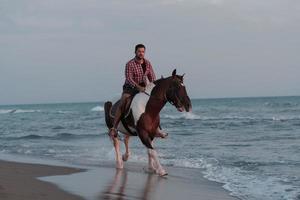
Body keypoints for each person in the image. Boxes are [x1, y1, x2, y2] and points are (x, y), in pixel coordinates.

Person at [109, 44, 156, 138]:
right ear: (135, 52)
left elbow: (152, 77)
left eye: (143, 51)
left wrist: (153, 87)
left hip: (144, 88)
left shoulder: (148, 63)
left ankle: (156, 127)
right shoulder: (130, 64)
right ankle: (114, 128)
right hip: (130, 88)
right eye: (139, 51)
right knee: (123, 102)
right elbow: (129, 78)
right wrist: (138, 87)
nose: (141, 53)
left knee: (153, 103)